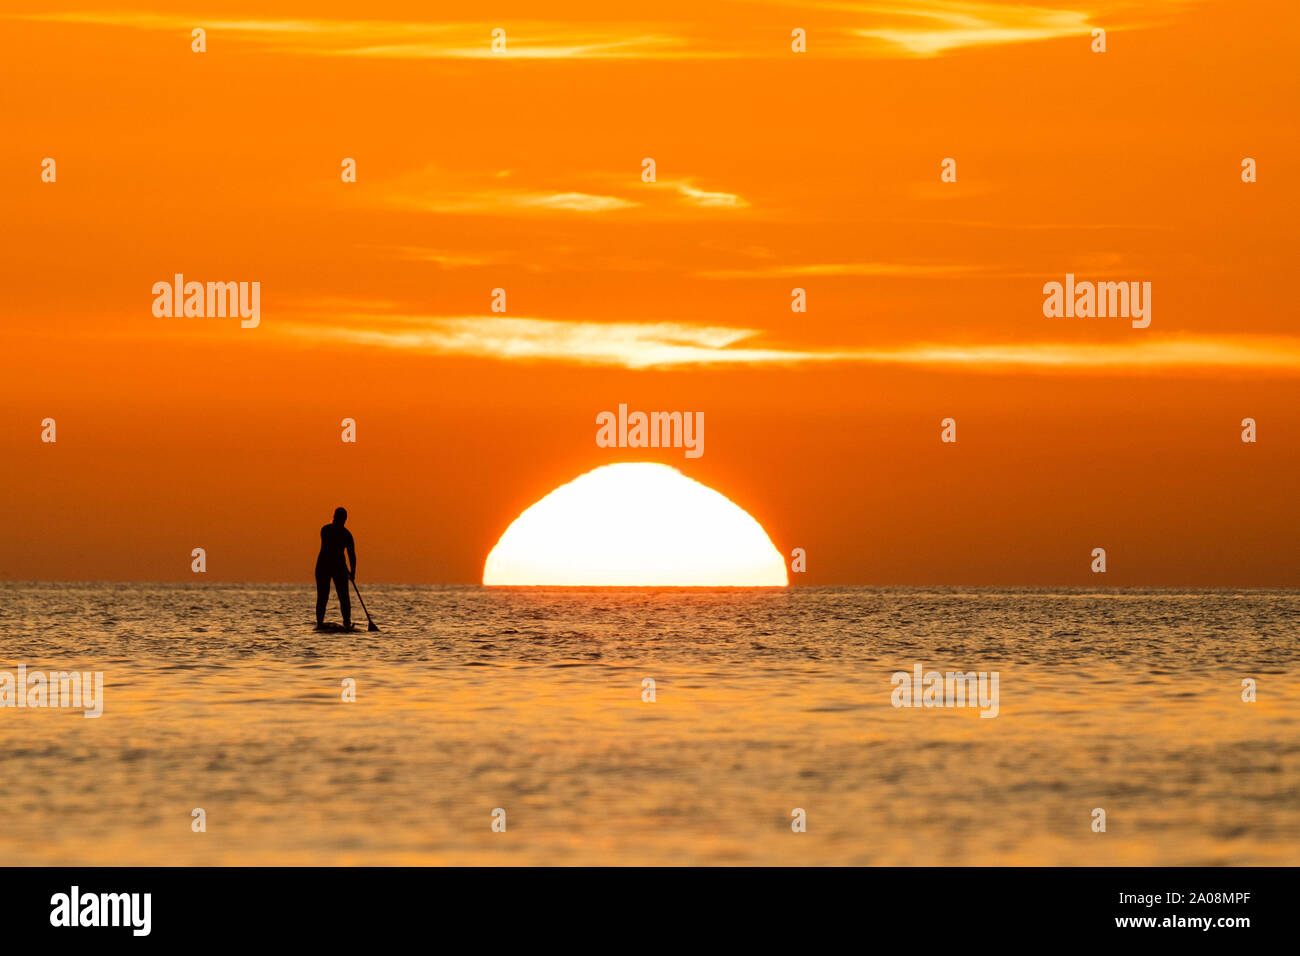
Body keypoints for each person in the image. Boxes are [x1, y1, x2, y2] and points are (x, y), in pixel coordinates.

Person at [315, 507, 356, 629]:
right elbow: (331, 547)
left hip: (339, 568)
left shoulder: (347, 534)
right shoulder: (326, 530)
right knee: (323, 596)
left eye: (343, 519)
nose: (341, 521)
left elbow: (352, 554)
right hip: (324, 566)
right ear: (334, 517)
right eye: (339, 518)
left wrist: (352, 572)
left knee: (344, 597)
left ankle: (347, 623)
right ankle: (319, 623)